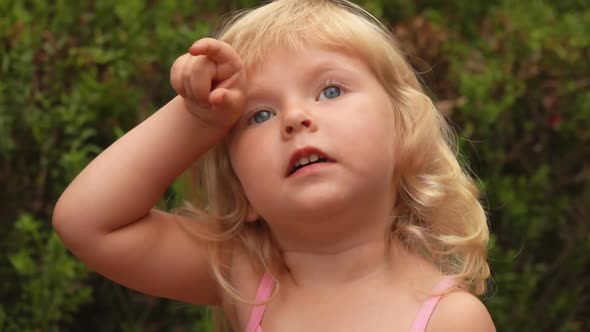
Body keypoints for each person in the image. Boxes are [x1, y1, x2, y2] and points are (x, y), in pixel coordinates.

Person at [53, 0, 495, 331]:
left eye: (330, 90)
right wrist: (196, 116)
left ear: (404, 132)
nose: (295, 119)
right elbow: (88, 222)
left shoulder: (450, 320)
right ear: (241, 188)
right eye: (258, 115)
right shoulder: (246, 275)